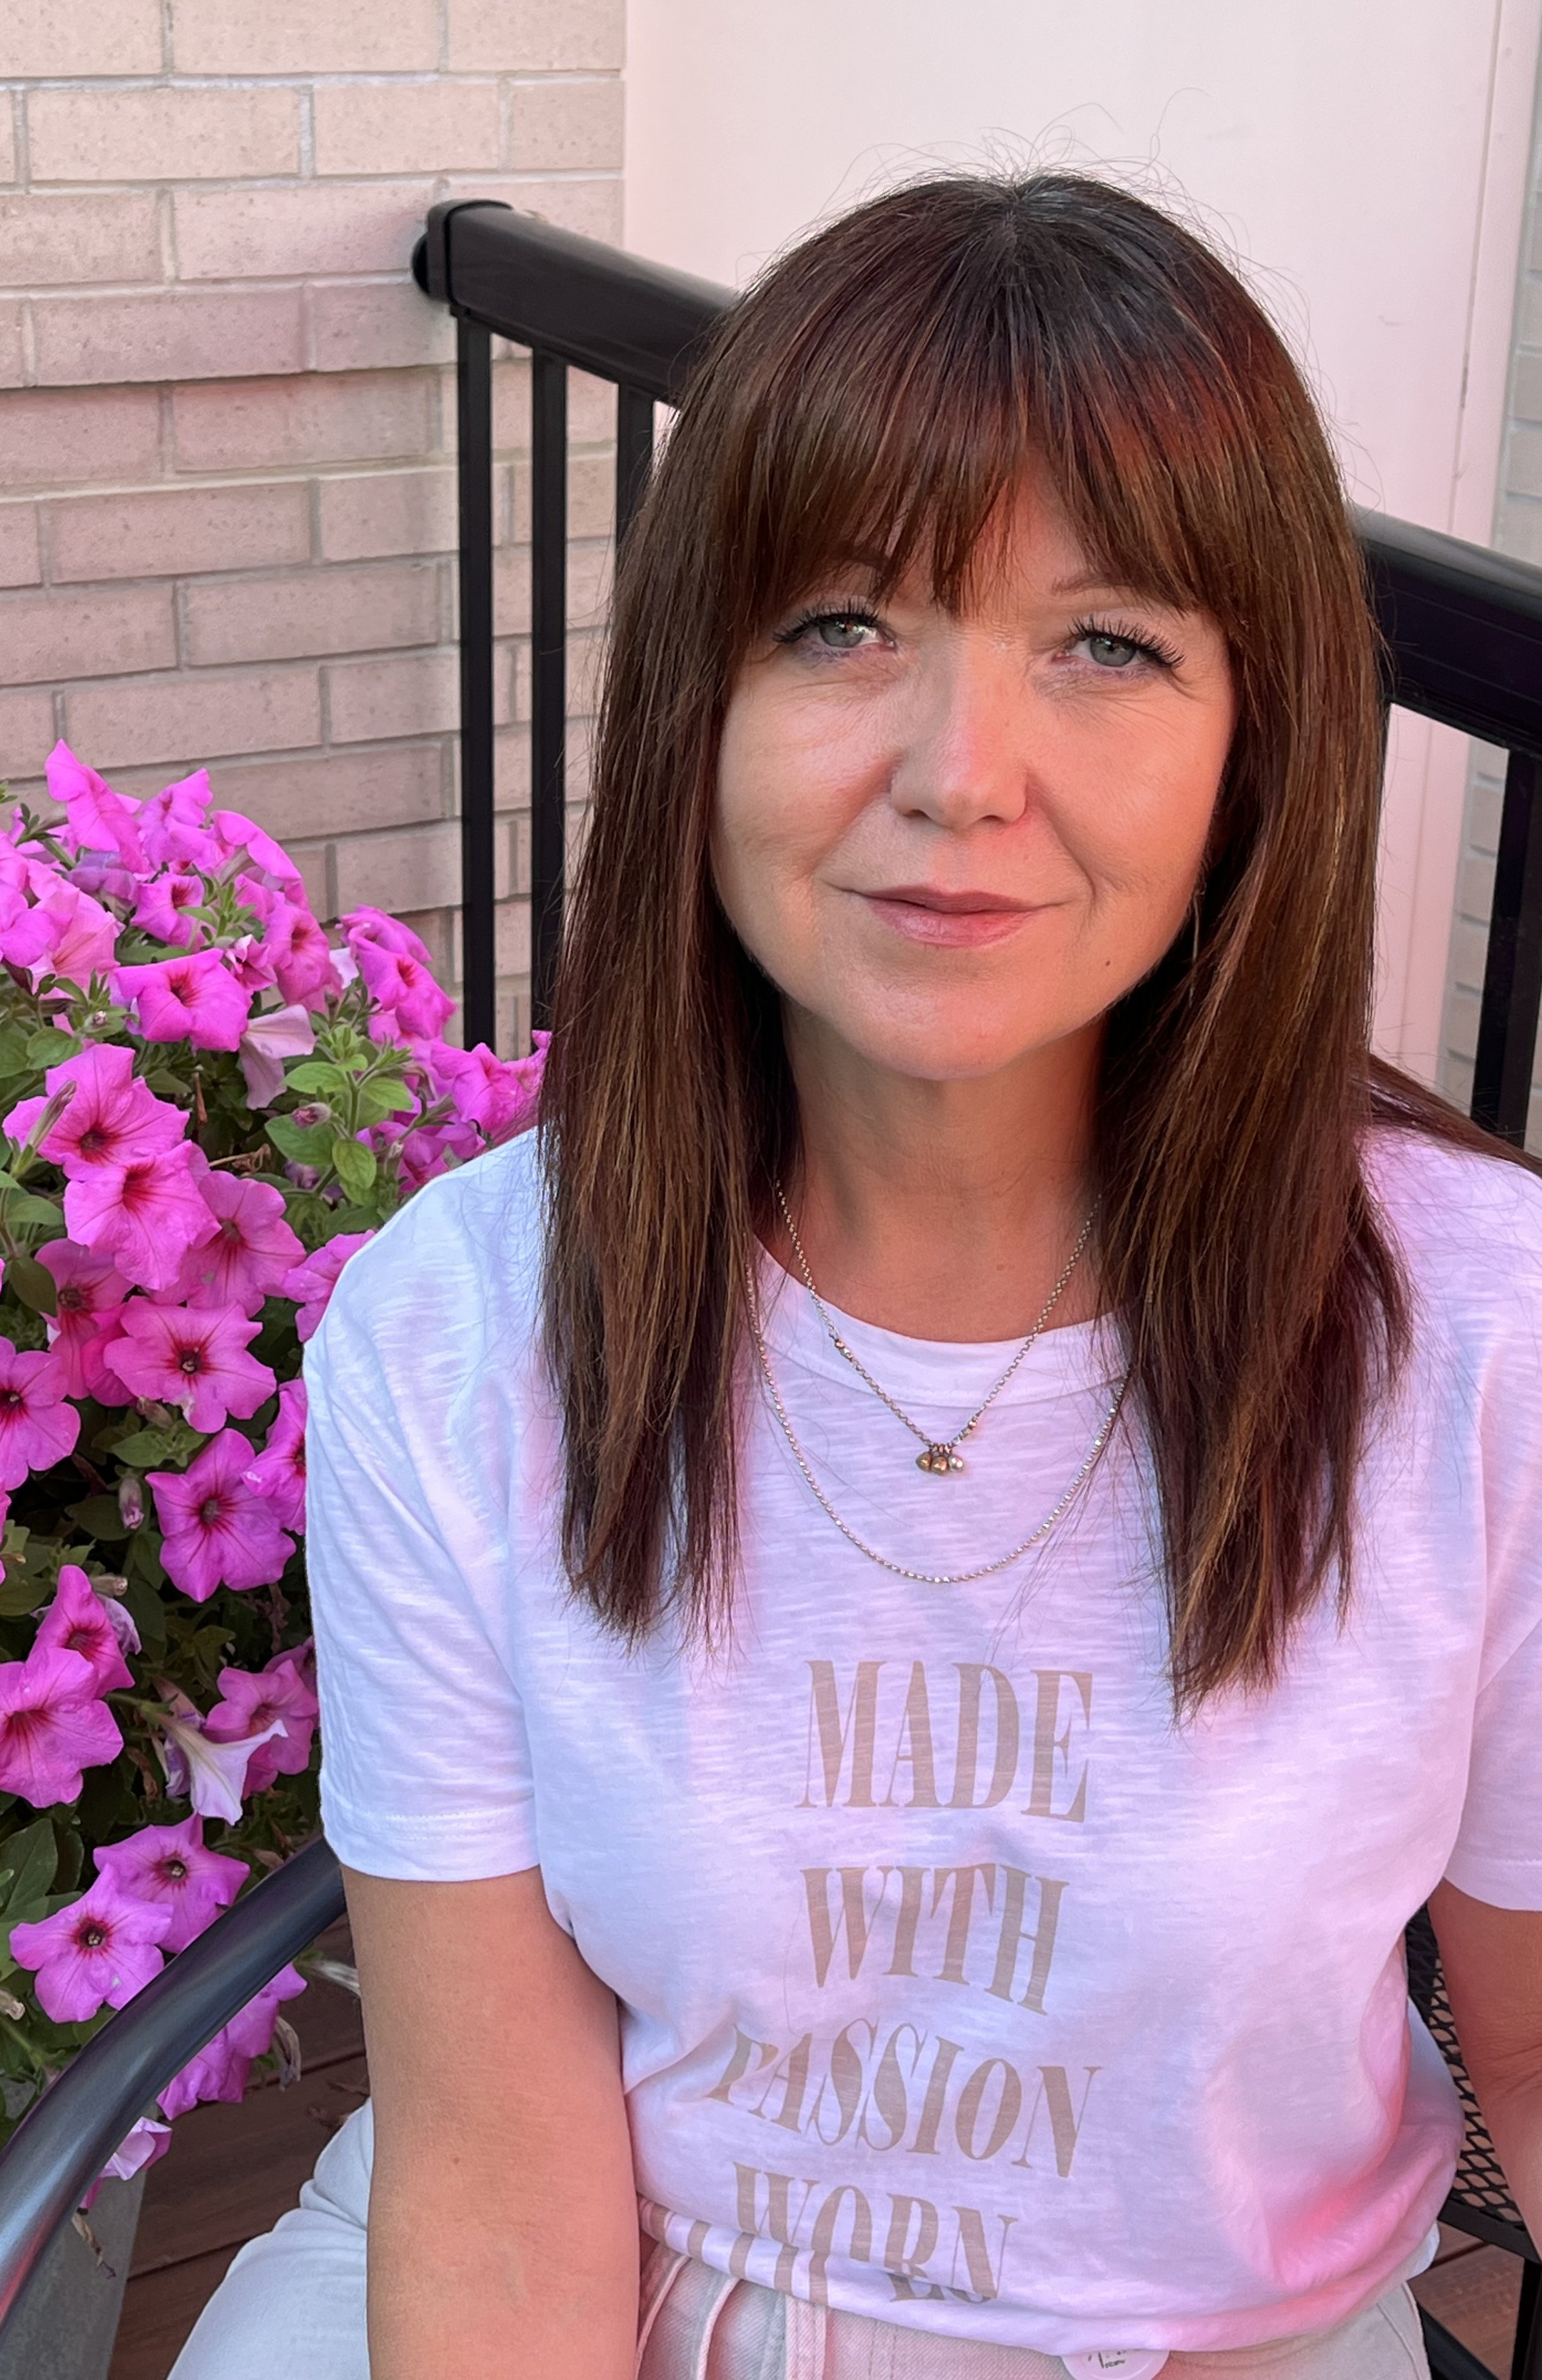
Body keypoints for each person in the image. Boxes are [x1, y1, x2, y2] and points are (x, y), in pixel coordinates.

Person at [171, 172, 1542, 2380]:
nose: (957, 775)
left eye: (1107, 644)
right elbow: (500, 2192)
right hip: (597, 2273)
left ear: (1253, 742)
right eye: (836, 626)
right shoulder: (462, 1325)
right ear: (694, 709)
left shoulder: (1483, 1343)